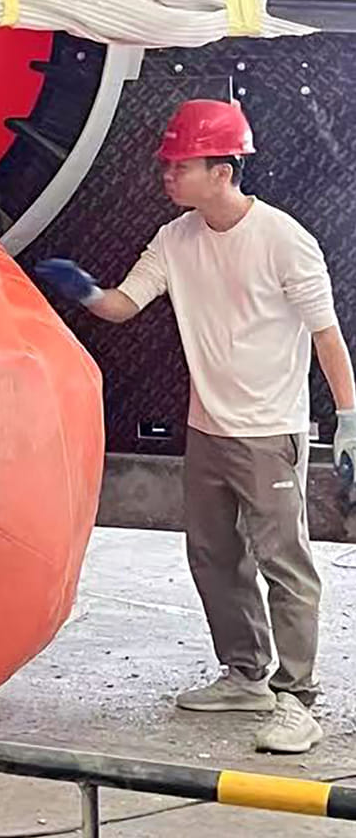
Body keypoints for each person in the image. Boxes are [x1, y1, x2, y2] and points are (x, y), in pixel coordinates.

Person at [36, 98, 356, 755]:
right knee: (213, 557)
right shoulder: (173, 239)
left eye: (178, 164)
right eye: (165, 164)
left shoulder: (283, 241)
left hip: (268, 431)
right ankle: (244, 675)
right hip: (205, 429)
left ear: (222, 170)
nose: (165, 175)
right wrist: (85, 292)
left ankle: (297, 700)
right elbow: (125, 306)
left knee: (284, 564)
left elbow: (326, 336)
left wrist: (347, 420)